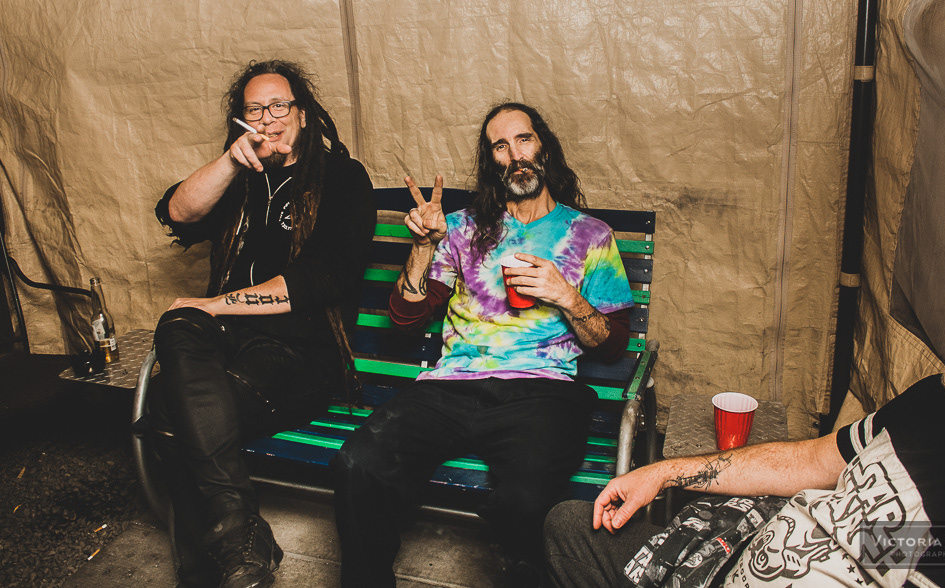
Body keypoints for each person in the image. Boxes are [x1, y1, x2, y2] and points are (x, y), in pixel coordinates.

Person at [330, 102, 636, 587]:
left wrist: (566, 295)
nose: (515, 155)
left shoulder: (590, 236)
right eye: (500, 146)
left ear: (545, 148)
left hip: (541, 390)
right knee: (356, 466)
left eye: (524, 139)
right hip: (451, 386)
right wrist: (424, 246)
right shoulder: (461, 228)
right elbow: (406, 317)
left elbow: (613, 346)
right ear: (491, 161)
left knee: (526, 502)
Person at [545, 269, 945, 587]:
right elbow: (812, 461)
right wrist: (663, 474)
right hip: (724, 561)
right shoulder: (935, 401)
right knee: (570, 526)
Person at [148, 59, 375, 588]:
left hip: (299, 353)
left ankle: (205, 572)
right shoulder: (239, 177)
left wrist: (216, 305)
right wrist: (231, 160)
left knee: (169, 414)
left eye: (278, 106)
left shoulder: (342, 177)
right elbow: (176, 213)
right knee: (177, 323)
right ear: (240, 120)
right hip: (226, 344)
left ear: (302, 113)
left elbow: (322, 278)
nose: (268, 118)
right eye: (254, 110)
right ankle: (240, 537)